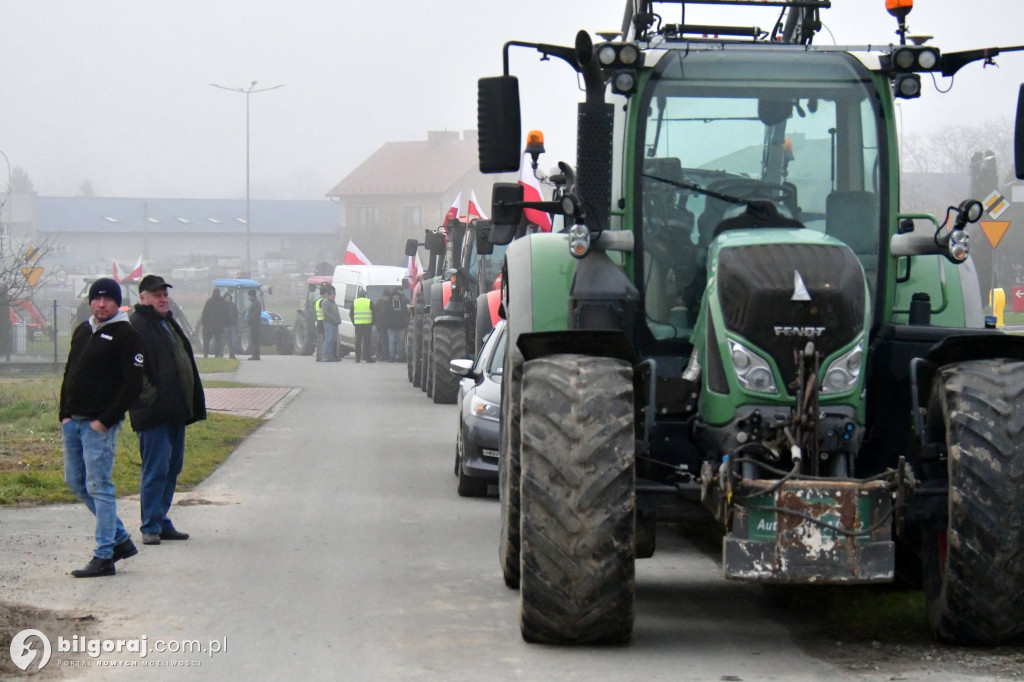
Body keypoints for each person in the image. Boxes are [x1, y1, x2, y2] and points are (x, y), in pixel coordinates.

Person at [59, 277, 144, 578]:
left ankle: (104, 555)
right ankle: (120, 539)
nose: (102, 304)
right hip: (73, 422)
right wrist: (64, 414)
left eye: (108, 299)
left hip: (98, 426)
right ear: (91, 301)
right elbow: (70, 371)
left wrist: (105, 420)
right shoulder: (83, 330)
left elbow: (133, 383)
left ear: (116, 302)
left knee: (100, 488)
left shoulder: (125, 334)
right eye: (97, 298)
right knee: (76, 483)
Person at [128, 274, 207, 546]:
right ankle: (150, 525)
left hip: (174, 410)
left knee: (173, 468)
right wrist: (152, 397)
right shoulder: (137, 325)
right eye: (156, 294)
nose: (162, 299)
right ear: (143, 298)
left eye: (164, 294)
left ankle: (160, 519)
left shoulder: (166, 322)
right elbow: (134, 371)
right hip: (154, 413)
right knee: (156, 469)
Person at [199, 288, 224, 358]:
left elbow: (205, 313)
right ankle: (217, 354)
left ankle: (205, 354)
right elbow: (225, 314)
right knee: (218, 341)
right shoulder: (222, 302)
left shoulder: (209, 302)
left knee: (206, 341)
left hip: (209, 325)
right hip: (219, 326)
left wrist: (204, 323)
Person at [351, 286, 374, 363]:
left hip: (358, 325)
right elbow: (374, 313)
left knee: (358, 342)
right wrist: (372, 323)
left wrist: (354, 322)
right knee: (367, 342)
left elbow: (351, 314)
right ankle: (368, 358)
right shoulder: (369, 301)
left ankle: (357, 358)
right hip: (367, 324)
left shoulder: (355, 302)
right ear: (365, 295)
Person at [386, 288, 407, 362]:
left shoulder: (403, 303)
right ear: (392, 296)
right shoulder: (388, 304)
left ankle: (400, 356)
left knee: (400, 342)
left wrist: (404, 323)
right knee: (391, 342)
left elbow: (405, 313)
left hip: (401, 327)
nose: (396, 297)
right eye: (394, 295)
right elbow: (386, 315)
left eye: (397, 295)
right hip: (391, 327)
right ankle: (392, 357)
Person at [320, 286, 342, 362]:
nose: (333, 296)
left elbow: (336, 312)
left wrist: (339, 319)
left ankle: (330, 356)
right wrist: (333, 319)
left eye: (334, 295)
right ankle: (325, 356)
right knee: (328, 339)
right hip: (329, 323)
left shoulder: (334, 302)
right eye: (332, 295)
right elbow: (326, 313)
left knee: (333, 340)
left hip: (335, 324)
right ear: (329, 295)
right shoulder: (326, 302)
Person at [246, 289, 262, 360]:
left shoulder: (256, 303)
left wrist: (249, 320)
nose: (248, 297)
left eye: (249, 295)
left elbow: (254, 315)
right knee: (254, 340)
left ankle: (256, 355)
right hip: (254, 324)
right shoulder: (256, 302)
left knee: (255, 340)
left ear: (251, 295)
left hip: (255, 325)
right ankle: (255, 355)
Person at [221, 293, 237, 359]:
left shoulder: (233, 305)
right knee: (222, 340)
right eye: (226, 297)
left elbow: (236, 314)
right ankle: (221, 353)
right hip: (224, 325)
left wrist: (235, 323)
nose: (227, 298)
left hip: (232, 325)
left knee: (232, 341)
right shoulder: (222, 305)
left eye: (228, 297)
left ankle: (232, 354)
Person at [314, 285, 326, 362]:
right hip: (322, 321)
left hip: (319, 321)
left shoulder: (318, 300)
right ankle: (321, 356)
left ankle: (318, 356)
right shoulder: (323, 301)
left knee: (319, 340)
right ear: (325, 293)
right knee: (322, 340)